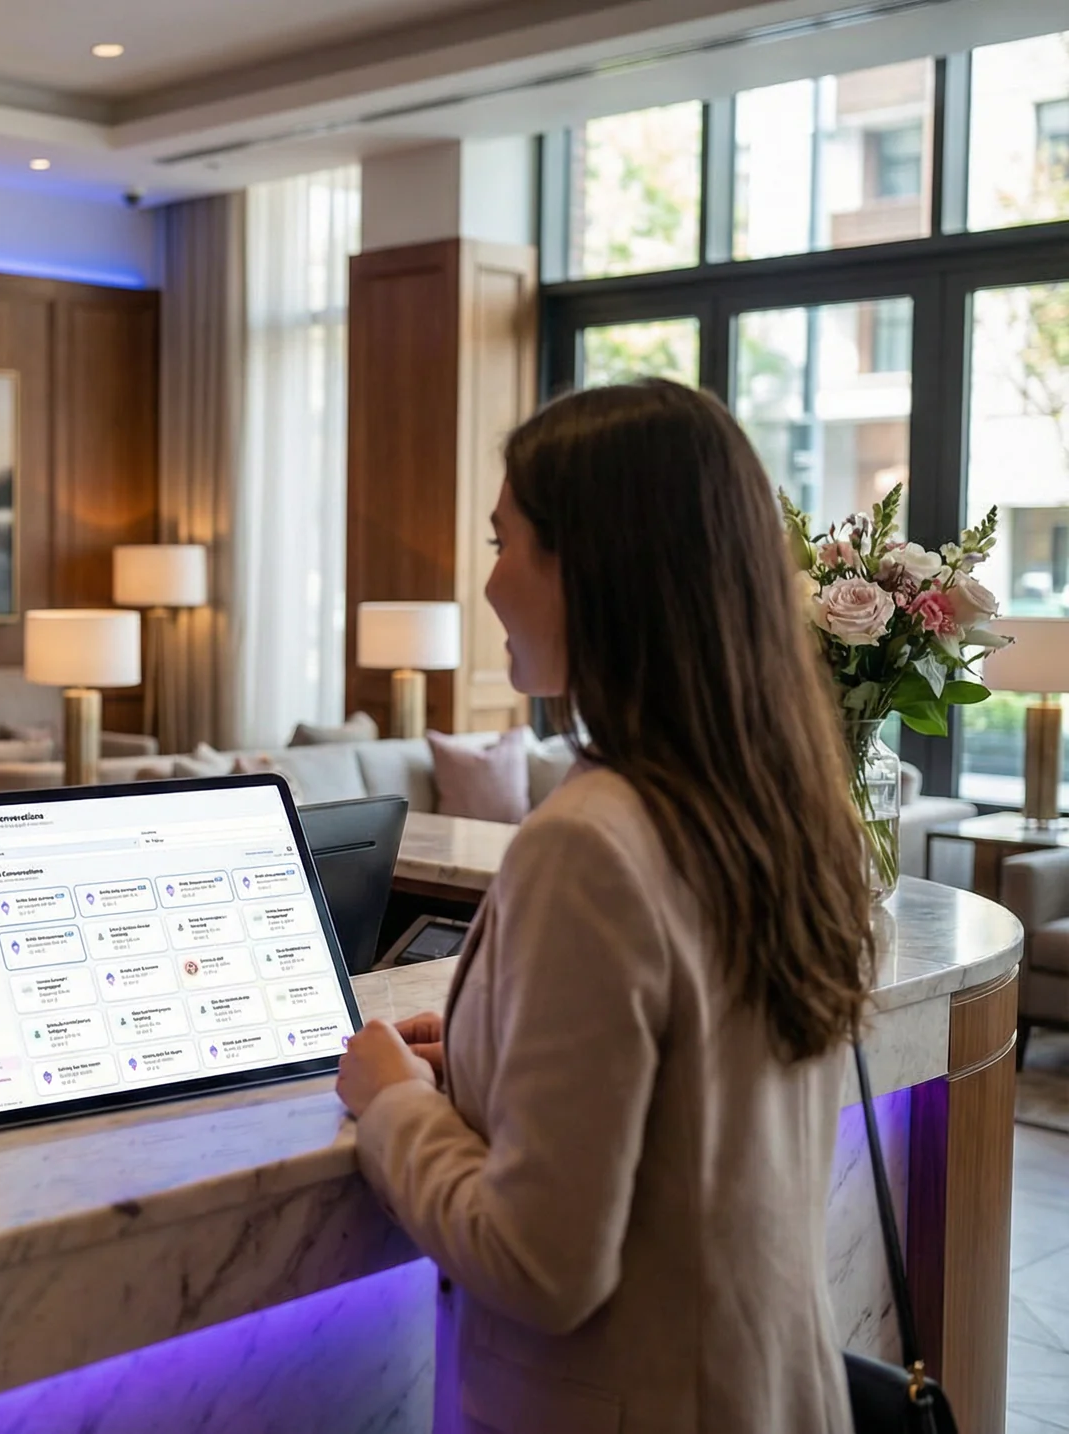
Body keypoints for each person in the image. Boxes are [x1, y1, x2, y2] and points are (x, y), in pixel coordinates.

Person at [336, 380, 870, 1434]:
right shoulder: (783, 808)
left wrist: (392, 1101)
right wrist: (487, 1057)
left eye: (503, 543)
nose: (485, 586)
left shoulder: (587, 844)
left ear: (591, 567)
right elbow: (690, 1107)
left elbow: (541, 1260)